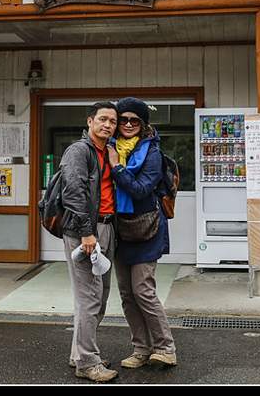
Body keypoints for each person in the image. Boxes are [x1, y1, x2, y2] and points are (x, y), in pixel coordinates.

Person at [109, 97, 177, 368]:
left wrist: (117, 168)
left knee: (143, 291)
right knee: (127, 294)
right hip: (120, 229)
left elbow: (140, 190)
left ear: (143, 123)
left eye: (134, 120)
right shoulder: (109, 147)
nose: (128, 124)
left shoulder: (152, 153)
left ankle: (166, 348)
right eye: (123, 120)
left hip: (147, 227)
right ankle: (141, 349)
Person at [59, 100, 119, 382]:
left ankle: (79, 354)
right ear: (90, 121)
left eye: (113, 121)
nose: (108, 125)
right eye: (103, 119)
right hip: (85, 230)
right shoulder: (79, 151)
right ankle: (87, 362)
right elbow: (73, 192)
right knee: (90, 297)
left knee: (100, 295)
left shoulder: (106, 152)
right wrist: (86, 232)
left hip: (105, 226)